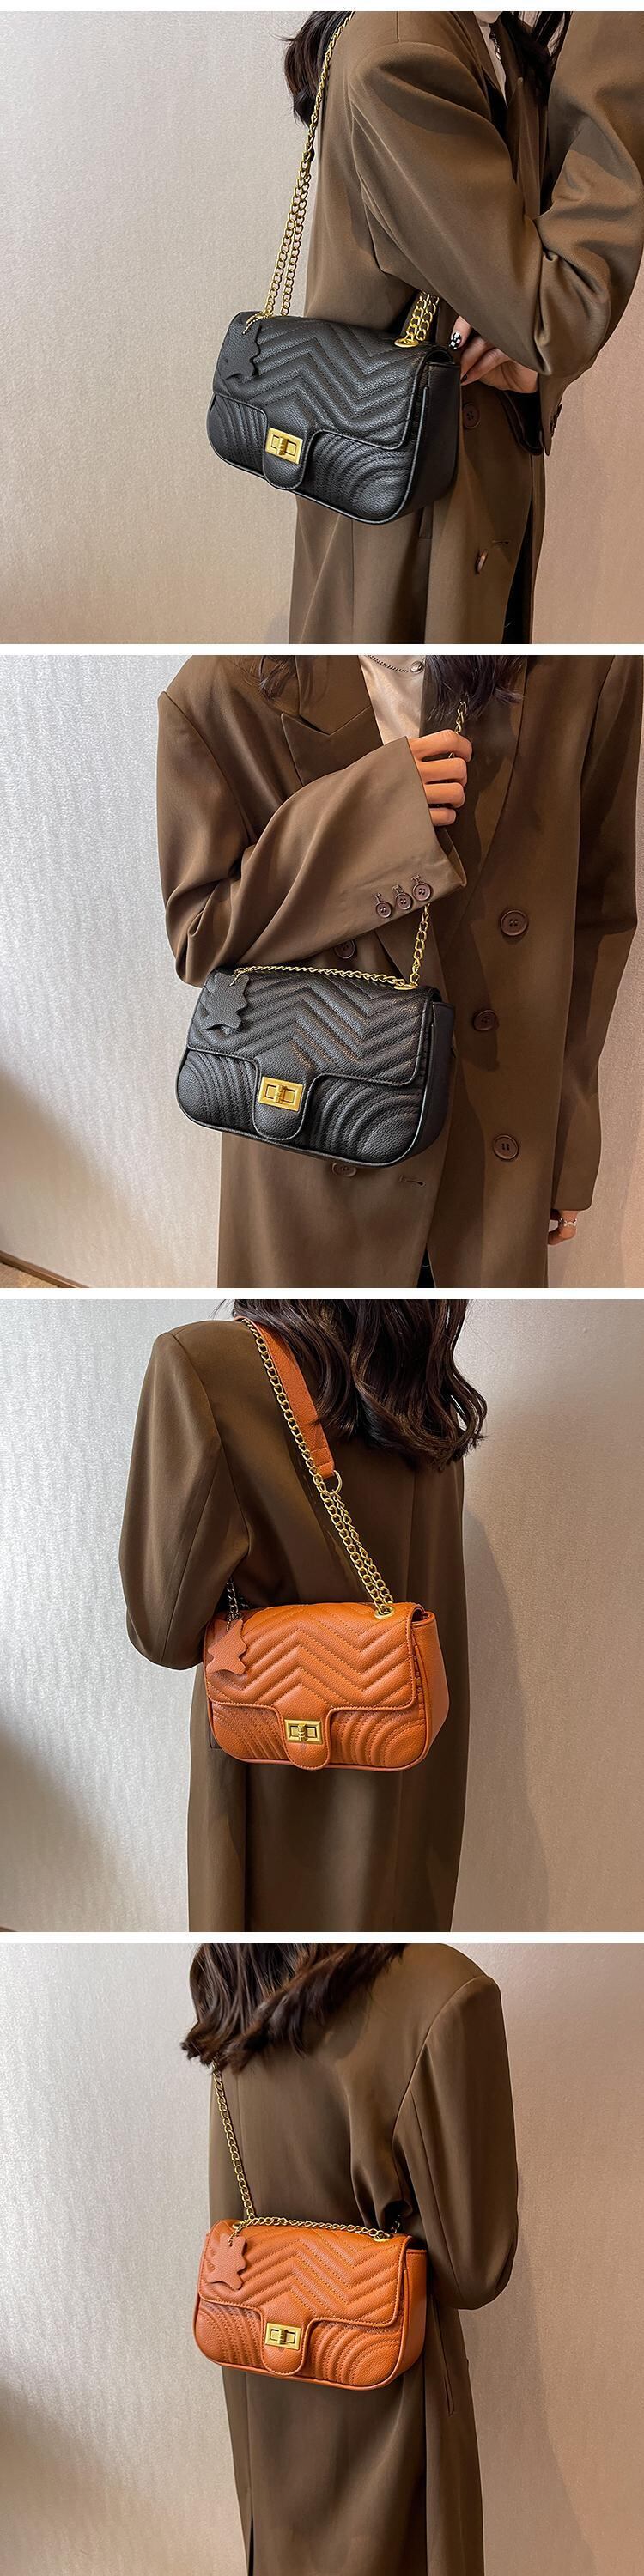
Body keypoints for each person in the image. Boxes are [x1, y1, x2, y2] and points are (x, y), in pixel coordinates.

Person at [157, 650, 641, 1286]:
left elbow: (595, 916)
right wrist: (370, 815)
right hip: (312, 1139)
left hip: (494, 1150)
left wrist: (568, 1147)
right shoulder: (225, 688)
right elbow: (199, 939)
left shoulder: (587, 670)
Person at [119, 1300, 485, 1929]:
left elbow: (162, 1631)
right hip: (414, 1778)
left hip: (272, 1794)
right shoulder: (427, 1400)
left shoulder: (203, 1365)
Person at [282, 9, 644, 642]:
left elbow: (537, 284)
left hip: (456, 504)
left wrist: (533, 363)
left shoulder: (490, 34)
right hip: (410, 527)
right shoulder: (401, 56)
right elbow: (557, 308)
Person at [184, 1940, 519, 2576]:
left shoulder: (237, 1989)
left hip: (269, 2417)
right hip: (393, 2425)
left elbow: (233, 2224)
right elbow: (475, 2268)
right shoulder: (441, 1991)